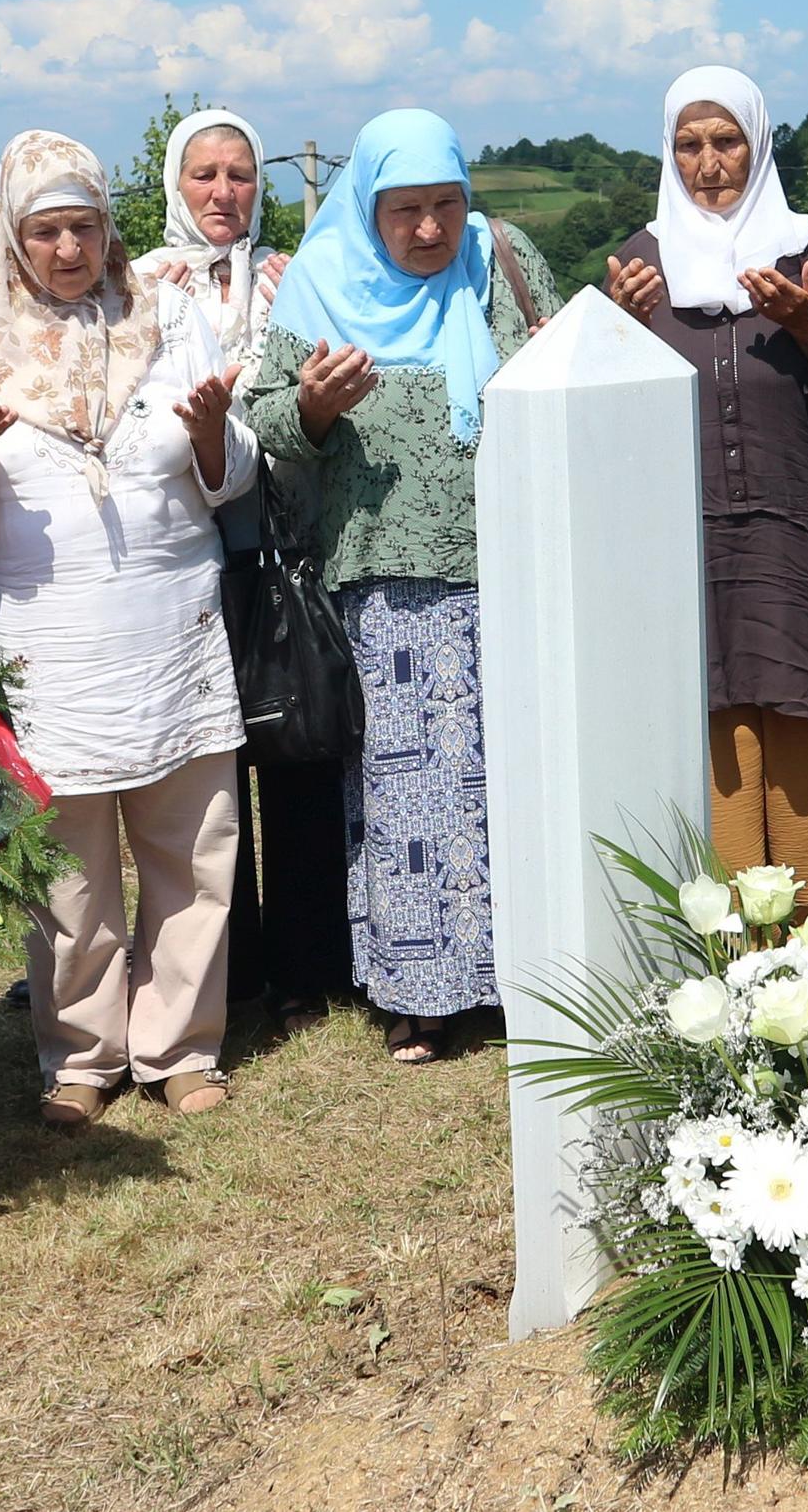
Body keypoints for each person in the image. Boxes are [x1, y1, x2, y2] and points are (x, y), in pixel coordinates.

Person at [0, 133, 256, 1126]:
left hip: (169, 616)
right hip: (45, 636)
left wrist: (208, 435)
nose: (68, 248)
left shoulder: (166, 314)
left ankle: (182, 1047)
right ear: (12, 237)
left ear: (111, 231)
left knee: (193, 847)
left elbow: (237, 465)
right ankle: (82, 1056)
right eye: (47, 230)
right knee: (66, 864)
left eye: (86, 227)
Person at [237, 109, 550, 1065]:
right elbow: (263, 422)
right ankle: (419, 989)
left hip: (513, 568)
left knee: (509, 780)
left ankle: (518, 974)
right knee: (412, 792)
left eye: (446, 205)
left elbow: (567, 359)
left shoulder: (501, 261)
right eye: (404, 210)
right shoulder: (322, 287)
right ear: (366, 210)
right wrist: (313, 408)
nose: (428, 230)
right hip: (385, 587)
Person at [604, 68, 808, 908]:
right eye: (689, 144)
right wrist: (615, 329)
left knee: (798, 706)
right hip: (683, 531)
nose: (709, 163)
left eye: (727, 140)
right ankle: (733, 942)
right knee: (714, 714)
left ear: (758, 144)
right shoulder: (641, 262)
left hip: (796, 519)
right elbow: (605, 419)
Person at [134, 109, 343, 1025]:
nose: (224, 193)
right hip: (182, 554)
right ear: (175, 186)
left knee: (294, 742)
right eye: (204, 175)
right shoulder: (138, 284)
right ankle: (232, 961)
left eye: (241, 175)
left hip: (283, 544)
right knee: (208, 768)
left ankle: (308, 960)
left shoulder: (292, 280)